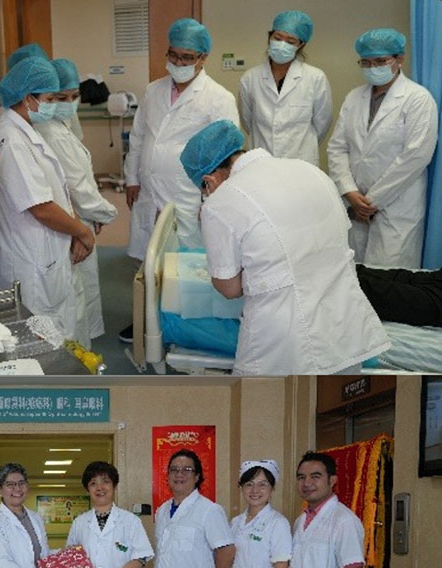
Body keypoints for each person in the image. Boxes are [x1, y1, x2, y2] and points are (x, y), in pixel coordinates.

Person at [180, 119, 391, 375]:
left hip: (286, 340)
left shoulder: (221, 202)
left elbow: (229, 288)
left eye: (204, 190)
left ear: (209, 180)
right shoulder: (309, 170)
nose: (207, 196)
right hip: (343, 325)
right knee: (333, 396)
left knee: (269, 399)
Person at [120, 17, 239, 343]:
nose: (178, 62)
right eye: (173, 55)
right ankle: (145, 320)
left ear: (203, 58)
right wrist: (131, 178)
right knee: (148, 262)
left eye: (187, 57)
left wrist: (214, 201)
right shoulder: (153, 90)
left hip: (188, 195)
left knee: (184, 263)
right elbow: (139, 137)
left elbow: (226, 155)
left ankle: (182, 326)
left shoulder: (218, 97)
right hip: (149, 190)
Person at [0, 57, 95, 346]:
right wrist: (83, 231)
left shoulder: (27, 130)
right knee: (40, 340)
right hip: (32, 259)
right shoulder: (12, 140)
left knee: (60, 330)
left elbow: (55, 192)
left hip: (47, 252)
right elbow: (41, 207)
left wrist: (74, 228)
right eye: (49, 99)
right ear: (28, 98)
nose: (52, 105)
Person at [327, 28, 438, 269]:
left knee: (390, 280)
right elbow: (337, 147)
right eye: (366, 62)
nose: (372, 68)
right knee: (356, 274)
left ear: (400, 60)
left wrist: (372, 201)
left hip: (396, 207)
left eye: (380, 61)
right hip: (355, 204)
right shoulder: (354, 97)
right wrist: (349, 191)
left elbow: (416, 156)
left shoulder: (418, 98)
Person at [35, 58, 118, 340]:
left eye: (74, 96)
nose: (69, 104)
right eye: (61, 98)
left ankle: (83, 347)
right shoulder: (50, 131)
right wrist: (104, 212)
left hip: (80, 217)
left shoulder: (61, 125)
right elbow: (76, 186)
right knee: (75, 296)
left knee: (82, 290)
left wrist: (95, 213)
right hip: (69, 222)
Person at [239, 10, 332, 165]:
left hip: (300, 162)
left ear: (301, 45)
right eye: (277, 38)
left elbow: (322, 124)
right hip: (262, 162)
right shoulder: (250, 78)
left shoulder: (315, 78)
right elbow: (247, 121)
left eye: (291, 41)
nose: (282, 45)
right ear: (269, 37)